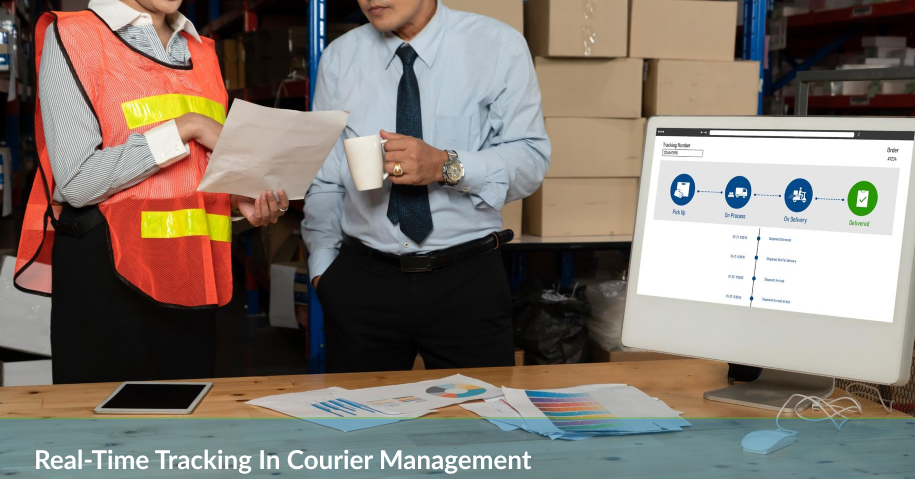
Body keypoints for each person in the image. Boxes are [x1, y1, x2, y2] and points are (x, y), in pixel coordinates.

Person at [13, 0, 289, 384]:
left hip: (190, 276)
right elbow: (77, 182)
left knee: (183, 431)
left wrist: (239, 199)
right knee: (101, 436)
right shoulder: (76, 35)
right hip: (109, 276)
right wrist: (186, 126)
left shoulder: (201, 50)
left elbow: (197, 170)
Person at [304, 0, 550, 372]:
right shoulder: (339, 58)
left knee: (477, 424)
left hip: (466, 283)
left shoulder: (497, 46)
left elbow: (531, 160)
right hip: (362, 283)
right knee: (361, 425)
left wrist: (446, 166)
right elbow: (324, 177)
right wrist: (324, 270)